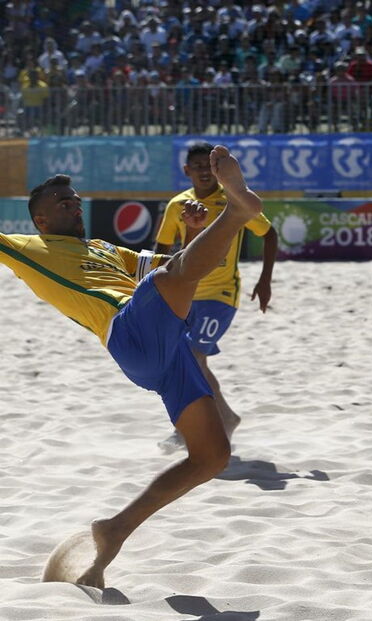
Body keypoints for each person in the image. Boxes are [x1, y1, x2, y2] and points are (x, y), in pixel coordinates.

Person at [0, 146, 264, 586]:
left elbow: (185, 266)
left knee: (212, 457)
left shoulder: (103, 248)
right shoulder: (28, 248)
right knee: (166, 282)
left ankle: (114, 530)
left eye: (76, 200)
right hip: (129, 333)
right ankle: (237, 212)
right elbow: (173, 277)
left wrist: (193, 233)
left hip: (168, 349)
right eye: (63, 203)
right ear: (40, 220)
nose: (74, 206)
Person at [154, 142, 278, 453]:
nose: (203, 171)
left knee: (193, 357)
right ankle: (213, 421)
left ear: (217, 170)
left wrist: (265, 280)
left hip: (221, 295)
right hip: (186, 293)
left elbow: (269, 234)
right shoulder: (177, 205)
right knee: (184, 361)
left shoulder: (233, 201)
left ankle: (209, 423)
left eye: (207, 165)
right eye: (196, 166)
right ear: (186, 170)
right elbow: (161, 250)